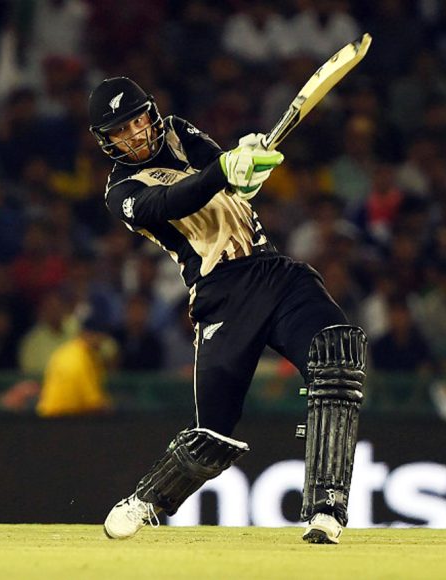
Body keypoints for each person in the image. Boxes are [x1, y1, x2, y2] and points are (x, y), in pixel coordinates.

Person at [88, 77, 367, 544]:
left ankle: (326, 510)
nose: (135, 134)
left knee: (336, 355)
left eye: (137, 120)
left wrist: (247, 168)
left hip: (271, 269)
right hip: (221, 295)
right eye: (121, 130)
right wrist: (226, 167)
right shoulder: (122, 193)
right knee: (211, 439)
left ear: (151, 113)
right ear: (107, 142)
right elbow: (176, 198)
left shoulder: (179, 131)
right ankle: (146, 500)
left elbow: (228, 183)